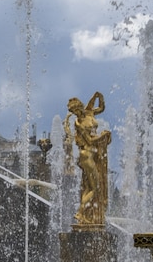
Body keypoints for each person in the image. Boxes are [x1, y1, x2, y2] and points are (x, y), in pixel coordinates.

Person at [67, 91, 111, 225]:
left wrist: (100, 97)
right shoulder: (79, 123)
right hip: (86, 156)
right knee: (95, 188)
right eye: (74, 111)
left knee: (89, 186)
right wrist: (103, 136)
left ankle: (86, 215)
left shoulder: (89, 113)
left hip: (94, 155)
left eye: (77, 109)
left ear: (80, 106)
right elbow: (90, 141)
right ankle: (80, 212)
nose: (76, 113)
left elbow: (101, 108)